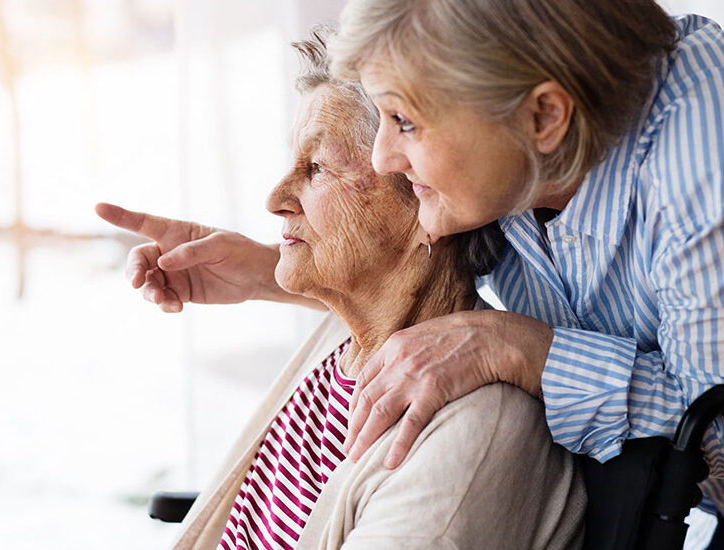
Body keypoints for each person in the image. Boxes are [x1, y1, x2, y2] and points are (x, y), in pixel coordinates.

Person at [103, 1, 724, 548]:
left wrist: (516, 347)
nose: (385, 160)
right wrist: (273, 270)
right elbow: (418, 256)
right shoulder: (512, 156)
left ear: (545, 115)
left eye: (404, 123)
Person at [97, 31, 584, 550]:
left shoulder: (477, 430)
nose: (275, 198)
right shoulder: (347, 338)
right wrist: (261, 269)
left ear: (427, 200)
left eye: (317, 169)